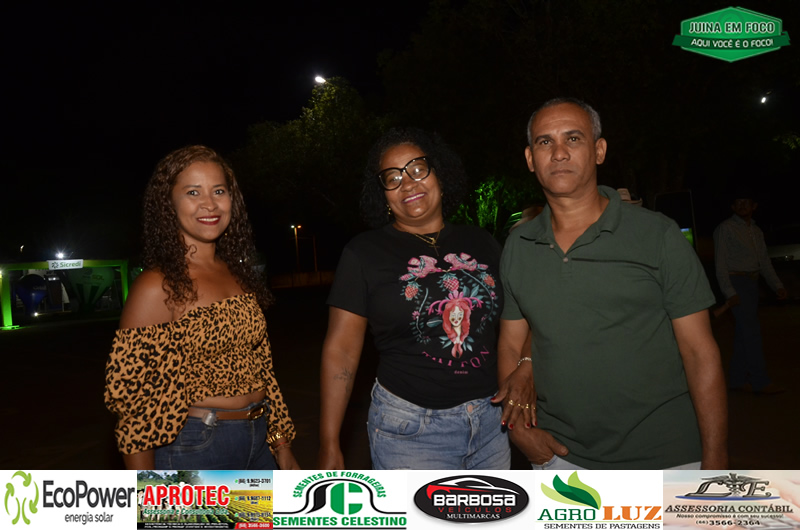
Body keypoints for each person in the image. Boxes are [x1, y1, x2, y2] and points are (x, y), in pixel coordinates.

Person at [498, 98, 728, 470]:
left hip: (666, 458)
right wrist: (521, 432)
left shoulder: (657, 235)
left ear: (599, 150)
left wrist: (716, 456)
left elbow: (700, 352)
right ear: (530, 159)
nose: (559, 152)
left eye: (573, 138)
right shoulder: (519, 246)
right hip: (562, 459)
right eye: (544, 142)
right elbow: (511, 343)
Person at [318, 127, 517, 470]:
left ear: (440, 174)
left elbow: (517, 319)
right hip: (410, 431)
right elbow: (342, 351)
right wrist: (329, 442)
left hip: (490, 424)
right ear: (383, 195)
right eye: (392, 178)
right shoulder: (363, 253)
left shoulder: (483, 242)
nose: (408, 183)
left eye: (418, 169)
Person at [104, 145, 299, 470]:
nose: (209, 204)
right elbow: (134, 400)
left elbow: (263, 368)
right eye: (193, 192)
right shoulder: (156, 285)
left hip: (259, 441)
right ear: (169, 204)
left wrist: (281, 443)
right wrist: (145, 487)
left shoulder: (238, 275)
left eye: (218, 191)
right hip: (196, 445)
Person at [713, 190, 787, 394]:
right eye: (738, 202)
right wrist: (729, 292)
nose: (742, 206)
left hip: (752, 284)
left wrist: (777, 285)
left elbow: (764, 262)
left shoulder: (756, 231)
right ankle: (760, 381)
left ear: (754, 206)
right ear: (732, 207)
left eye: (746, 202)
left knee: (743, 333)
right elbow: (720, 265)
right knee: (752, 333)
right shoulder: (725, 229)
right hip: (736, 282)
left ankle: (737, 379)